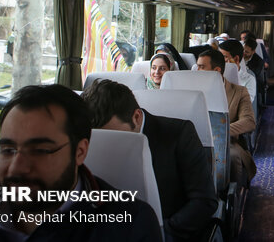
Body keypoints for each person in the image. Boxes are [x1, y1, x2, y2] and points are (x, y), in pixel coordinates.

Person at [0, 84, 162, 242]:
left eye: (40, 151)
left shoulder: (129, 225)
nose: (17, 167)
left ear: (80, 152)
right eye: (8, 150)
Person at [82, 80, 217, 241]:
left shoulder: (178, 134)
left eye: (115, 136)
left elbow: (204, 201)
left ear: (136, 117)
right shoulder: (82, 141)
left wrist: (157, 232)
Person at [197, 49, 257, 186]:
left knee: (231, 156)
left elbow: (249, 122)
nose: (196, 71)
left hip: (227, 142)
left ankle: (228, 198)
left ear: (217, 70)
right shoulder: (189, 91)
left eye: (201, 67)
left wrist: (220, 132)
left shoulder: (239, 92)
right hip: (194, 139)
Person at [219, 39, 257, 104]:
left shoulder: (249, 79)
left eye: (224, 57)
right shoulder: (216, 74)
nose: (219, 59)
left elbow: (246, 102)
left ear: (236, 58)